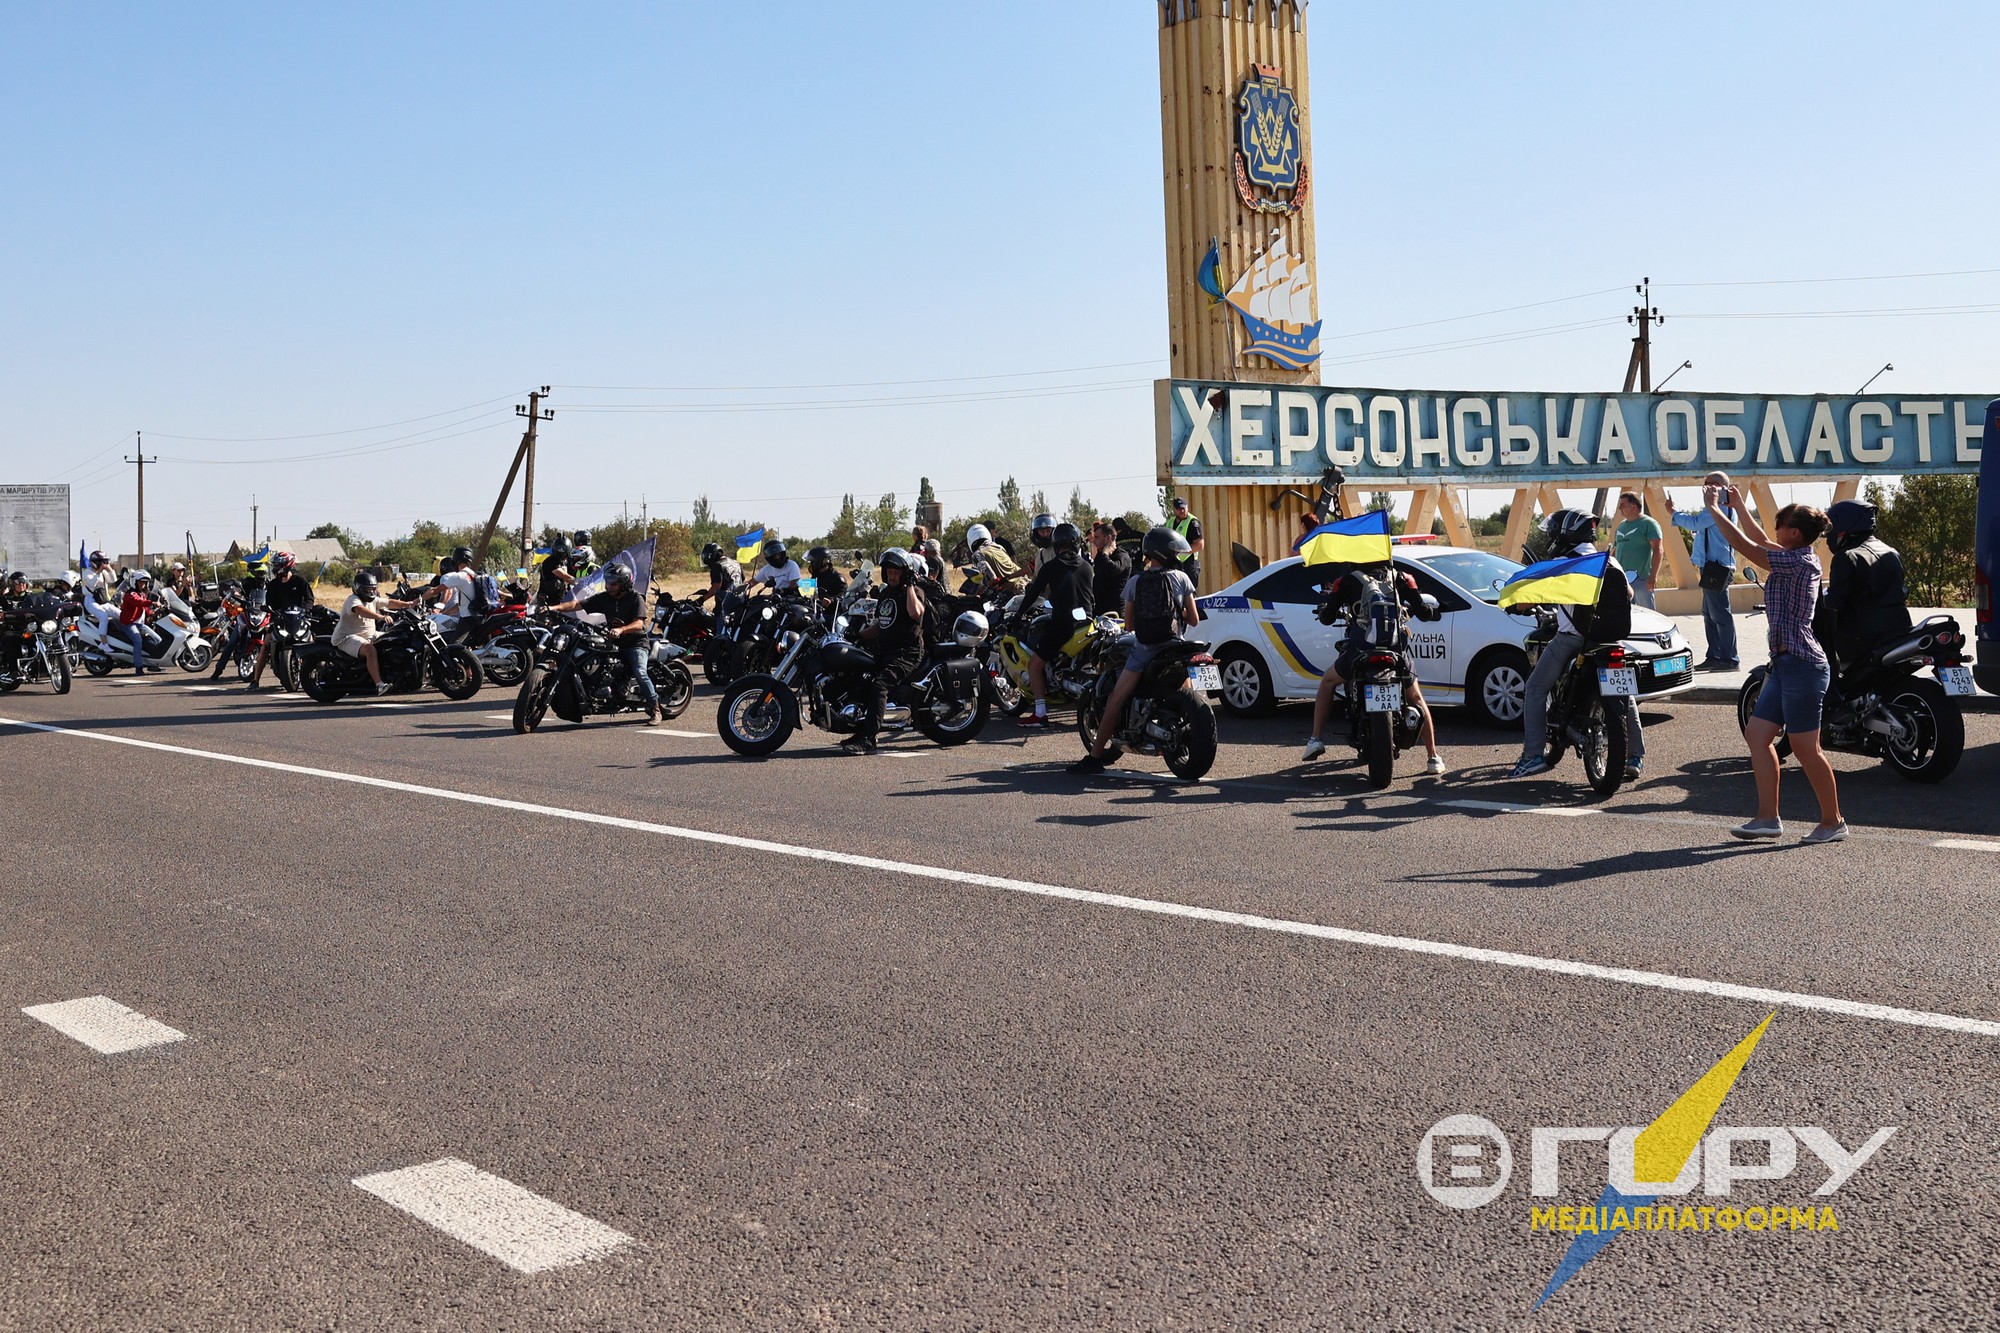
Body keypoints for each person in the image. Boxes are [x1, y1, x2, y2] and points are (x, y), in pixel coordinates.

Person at [1703, 488, 1844, 843]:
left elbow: (1746, 545)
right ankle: (1768, 818)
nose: (1775, 531)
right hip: (1783, 664)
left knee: (1806, 748)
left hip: (1803, 665)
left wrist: (1713, 509)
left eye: (1780, 525)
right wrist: (1738, 505)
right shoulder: (1791, 554)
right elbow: (1760, 539)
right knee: (1757, 735)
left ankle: (1833, 822)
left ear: (1794, 532)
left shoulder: (1799, 562)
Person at [1506, 509, 1646, 781]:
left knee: (1535, 688)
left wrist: (1515, 605)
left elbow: (1532, 597)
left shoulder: (1564, 563)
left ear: (1565, 534)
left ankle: (1532, 756)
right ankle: (1635, 757)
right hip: (1610, 640)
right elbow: (1628, 593)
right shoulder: (1608, 561)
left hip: (1573, 639)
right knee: (1624, 694)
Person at [1070, 526, 1200, 774]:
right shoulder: (1182, 578)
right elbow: (1193, 619)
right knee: (1187, 697)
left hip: (1145, 649)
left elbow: (1129, 625)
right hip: (1177, 647)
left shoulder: (1136, 581)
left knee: (1114, 701)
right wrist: (1177, 612)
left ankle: (1095, 757)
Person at [1299, 565, 1444, 774]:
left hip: (1360, 651)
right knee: (1416, 698)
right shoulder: (1403, 578)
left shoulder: (1346, 581)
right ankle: (1433, 757)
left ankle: (1316, 739)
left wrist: (1325, 611)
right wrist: (1423, 610)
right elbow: (1424, 613)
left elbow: (1327, 618)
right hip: (1395, 652)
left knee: (1328, 681)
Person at [546, 561, 660, 724]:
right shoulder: (604, 598)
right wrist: (554, 608)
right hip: (614, 643)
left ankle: (655, 709)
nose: (609, 586)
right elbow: (577, 604)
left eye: (613, 583)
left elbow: (639, 623)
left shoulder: (636, 598)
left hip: (636, 644)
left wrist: (621, 630)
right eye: (608, 582)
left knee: (640, 672)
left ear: (624, 584)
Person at [1012, 522, 1094, 727]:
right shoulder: (1087, 566)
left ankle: (1040, 714)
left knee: (1034, 665)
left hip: (1063, 624)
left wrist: (1018, 615)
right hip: (1087, 622)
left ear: (1056, 543)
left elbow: (1033, 593)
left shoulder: (1051, 566)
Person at [1818, 499, 1911, 679]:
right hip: (1899, 630)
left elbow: (1836, 601)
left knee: (1819, 650)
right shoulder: (1891, 552)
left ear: (1844, 524)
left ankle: (1829, 691)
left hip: (1863, 637)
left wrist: (1816, 604)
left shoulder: (1847, 556)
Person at [845, 548, 925, 754]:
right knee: (861, 682)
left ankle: (869, 739)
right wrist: (858, 636)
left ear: (905, 573)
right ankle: (861, 731)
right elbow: (881, 625)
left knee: (879, 686)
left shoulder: (914, 593)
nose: (892, 575)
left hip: (907, 653)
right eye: (889, 571)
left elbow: (915, 613)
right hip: (886, 651)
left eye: (896, 572)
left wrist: (910, 585)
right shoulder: (886, 594)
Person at [1669, 472, 1740, 670]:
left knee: (1720, 615)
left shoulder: (1719, 508)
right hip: (1712, 567)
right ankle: (1715, 656)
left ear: (1718, 486)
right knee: (1710, 614)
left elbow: (1694, 523)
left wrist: (1673, 512)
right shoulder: (1718, 508)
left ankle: (1729, 659)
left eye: (1708, 485)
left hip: (1716, 567)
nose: (1705, 489)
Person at [333, 571, 420, 696]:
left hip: (369, 635)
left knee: (393, 639)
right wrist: (381, 617)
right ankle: (379, 684)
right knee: (370, 650)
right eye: (369, 589)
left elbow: (389, 602)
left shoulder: (373, 600)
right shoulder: (353, 600)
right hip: (347, 637)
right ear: (359, 589)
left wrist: (409, 604)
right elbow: (361, 610)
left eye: (374, 589)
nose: (372, 592)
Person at [1612, 492, 1664, 610]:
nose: (1620, 508)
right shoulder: (1621, 526)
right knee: (1625, 613)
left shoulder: (1649, 524)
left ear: (1634, 507)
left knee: (1646, 613)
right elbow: (1615, 551)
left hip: (1642, 579)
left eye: (1623, 505)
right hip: (1622, 580)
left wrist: (1653, 576)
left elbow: (1658, 550)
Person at [963, 523, 1027, 599]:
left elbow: (991, 577)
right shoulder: (998, 547)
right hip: (1025, 582)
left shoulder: (977, 555)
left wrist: (977, 594)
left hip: (1014, 592)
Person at [117, 571, 163, 674]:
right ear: (134, 582)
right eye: (141, 582)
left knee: (158, 639)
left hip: (140, 625)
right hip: (129, 624)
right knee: (138, 641)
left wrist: (152, 612)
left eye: (145, 583)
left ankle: (153, 664)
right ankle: (138, 667)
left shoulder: (141, 594)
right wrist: (153, 603)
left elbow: (143, 608)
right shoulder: (130, 594)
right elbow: (138, 602)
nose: (143, 585)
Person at [1087, 520, 1132, 615]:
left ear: (1108, 538)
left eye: (1097, 537)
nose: (1094, 541)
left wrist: (1105, 554)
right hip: (1100, 610)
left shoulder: (1122, 556)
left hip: (1115, 613)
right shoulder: (1100, 556)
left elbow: (1112, 570)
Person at [1166, 495, 1204, 587]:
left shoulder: (1193, 522)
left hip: (1189, 563)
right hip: (1174, 564)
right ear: (1174, 509)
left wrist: (1180, 552)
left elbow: (1200, 545)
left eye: (1184, 508)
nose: (1182, 511)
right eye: (1179, 509)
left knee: (1189, 592)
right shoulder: (1170, 522)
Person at [804, 546, 847, 624]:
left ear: (823, 561)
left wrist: (831, 600)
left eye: (813, 562)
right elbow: (807, 592)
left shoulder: (837, 577)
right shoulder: (816, 576)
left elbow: (844, 594)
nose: (811, 565)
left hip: (832, 615)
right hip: (815, 611)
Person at [535, 536, 575, 605]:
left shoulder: (567, 562)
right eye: (559, 553)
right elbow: (565, 576)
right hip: (547, 602)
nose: (561, 556)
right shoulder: (550, 562)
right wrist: (581, 584)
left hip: (562, 599)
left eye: (563, 554)